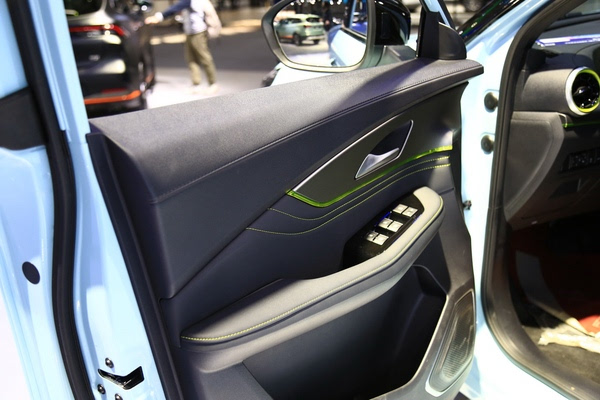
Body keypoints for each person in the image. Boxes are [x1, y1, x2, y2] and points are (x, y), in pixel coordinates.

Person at [146, 0, 222, 95]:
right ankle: (196, 84)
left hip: (198, 32)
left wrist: (158, 17)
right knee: (191, 58)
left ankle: (213, 83)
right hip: (190, 32)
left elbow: (175, 8)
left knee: (204, 57)